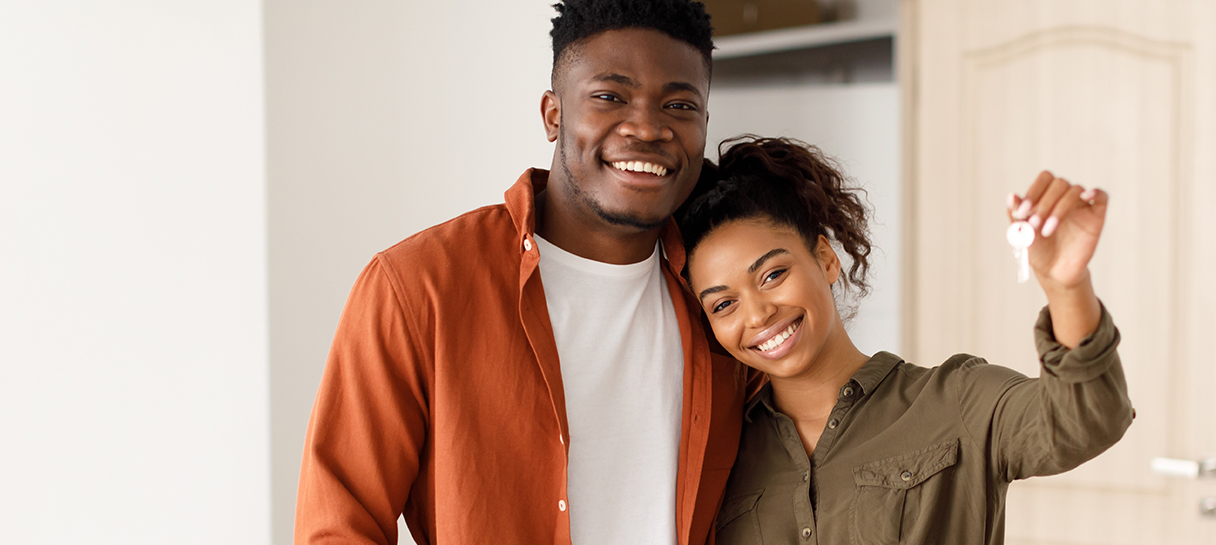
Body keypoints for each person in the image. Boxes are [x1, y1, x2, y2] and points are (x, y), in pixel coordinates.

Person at [293, 1, 759, 544]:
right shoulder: (418, 287)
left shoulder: (725, 299)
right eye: (610, 97)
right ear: (553, 115)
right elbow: (338, 526)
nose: (648, 128)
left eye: (679, 105)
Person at [677, 137, 1134, 544]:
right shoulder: (722, 448)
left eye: (773, 274)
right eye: (723, 305)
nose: (757, 314)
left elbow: (1086, 420)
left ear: (825, 259)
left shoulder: (956, 401)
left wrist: (1066, 288)